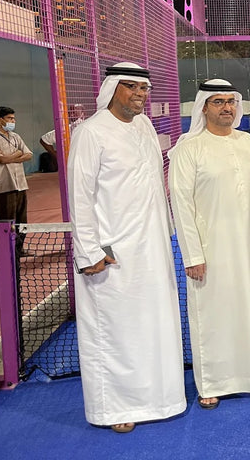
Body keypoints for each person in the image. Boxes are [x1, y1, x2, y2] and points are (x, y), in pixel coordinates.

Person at [67, 62, 185, 433]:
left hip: (152, 248)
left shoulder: (146, 126)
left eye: (144, 88)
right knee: (114, 330)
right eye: (131, 86)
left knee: (153, 324)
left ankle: (159, 398)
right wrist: (89, 251)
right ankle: (115, 409)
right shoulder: (90, 132)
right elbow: (80, 197)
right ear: (112, 88)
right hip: (111, 253)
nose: (139, 94)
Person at [169, 79, 250, 408]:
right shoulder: (188, 148)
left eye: (231, 101)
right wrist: (191, 254)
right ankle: (213, 384)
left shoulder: (248, 143)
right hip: (210, 251)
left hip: (249, 248)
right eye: (218, 102)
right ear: (203, 107)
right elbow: (181, 204)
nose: (226, 108)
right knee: (214, 315)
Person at [0, 106, 33, 230]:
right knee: (7, 223)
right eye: (10, 118)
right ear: (0, 120)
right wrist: (17, 153)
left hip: (20, 185)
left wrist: (12, 157)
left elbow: (28, 154)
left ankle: (19, 249)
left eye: (14, 118)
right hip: (3, 187)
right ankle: (7, 249)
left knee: (22, 222)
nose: (13, 121)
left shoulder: (15, 136)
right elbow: (1, 159)